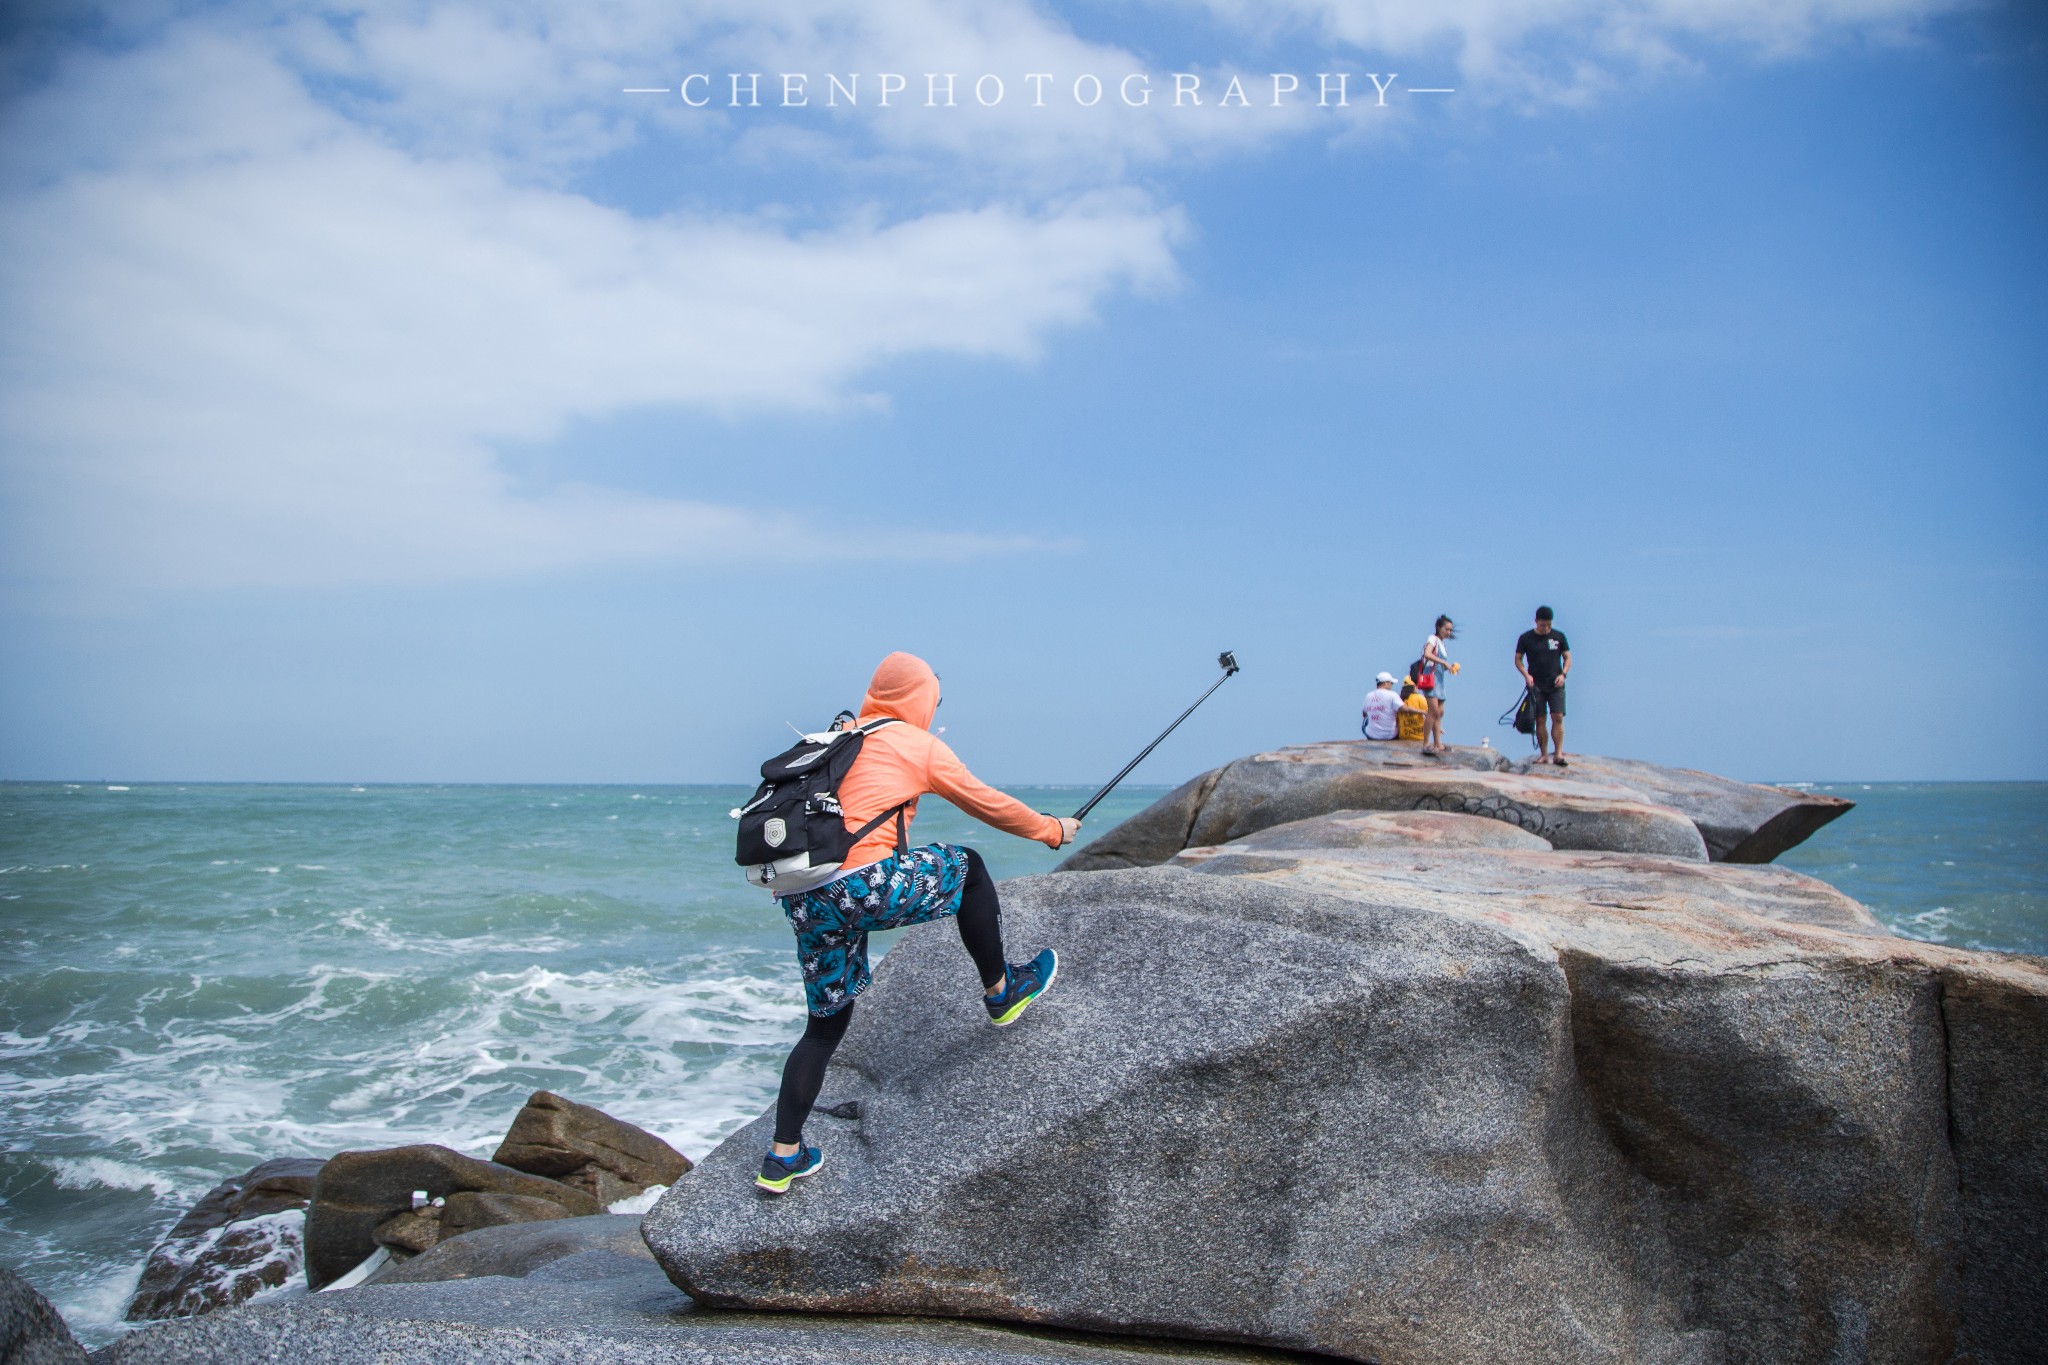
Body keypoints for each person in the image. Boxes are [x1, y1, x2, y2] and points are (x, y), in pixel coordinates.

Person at [756, 651, 1081, 1195]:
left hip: (806, 895)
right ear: (920, 697)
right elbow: (986, 802)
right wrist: (1051, 830)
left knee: (824, 1027)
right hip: (862, 886)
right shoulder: (913, 742)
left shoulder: (839, 737)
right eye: (934, 697)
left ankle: (781, 1157)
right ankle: (1002, 990)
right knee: (968, 868)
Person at [1514, 606, 1572, 766]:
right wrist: (1526, 675)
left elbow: (1567, 657)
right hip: (1536, 685)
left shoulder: (1558, 636)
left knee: (1558, 716)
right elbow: (1518, 659)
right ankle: (1544, 754)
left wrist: (1564, 674)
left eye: (1548, 625)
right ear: (1536, 621)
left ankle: (1558, 754)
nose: (1545, 628)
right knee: (1540, 719)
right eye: (1542, 625)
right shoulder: (1526, 638)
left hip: (1556, 683)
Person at [1419, 615, 1460, 755]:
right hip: (1431, 679)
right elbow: (1427, 654)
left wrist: (1450, 668)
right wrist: (1444, 663)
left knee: (1440, 712)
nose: (1448, 633)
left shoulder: (1443, 644)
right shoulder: (1433, 639)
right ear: (1439, 628)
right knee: (1433, 711)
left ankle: (1438, 743)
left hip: (1439, 679)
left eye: (1450, 631)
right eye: (1446, 629)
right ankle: (1426, 743)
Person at [1361, 671, 1402, 740]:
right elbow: (1402, 708)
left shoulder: (1368, 695)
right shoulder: (1392, 694)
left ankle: (1374, 732)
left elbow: (1364, 714)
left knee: (1366, 721)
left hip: (1372, 736)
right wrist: (1421, 711)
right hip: (1391, 735)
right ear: (1385, 683)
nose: (1391, 685)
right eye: (1391, 683)